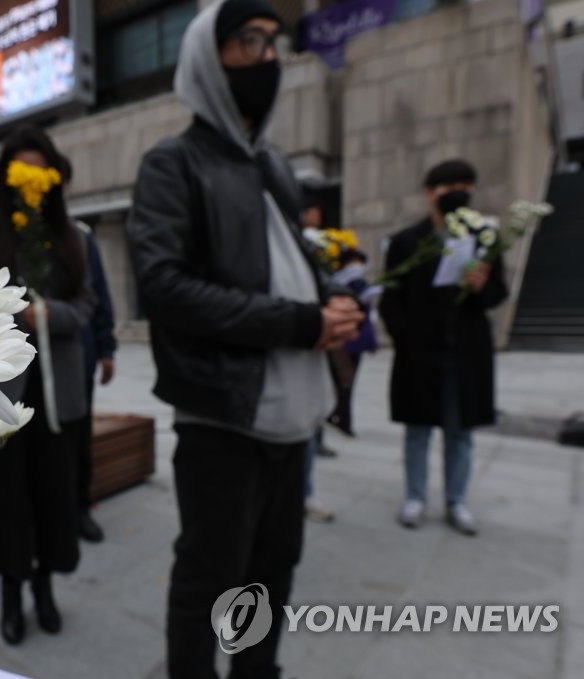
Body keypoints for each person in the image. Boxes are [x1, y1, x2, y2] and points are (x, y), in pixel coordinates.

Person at [126, 0, 363, 676]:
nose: (266, 57)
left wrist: (330, 300)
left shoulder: (276, 166)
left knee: (271, 569)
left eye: (272, 42)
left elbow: (291, 267)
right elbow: (165, 287)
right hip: (223, 416)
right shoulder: (174, 163)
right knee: (210, 576)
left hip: (293, 417)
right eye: (247, 42)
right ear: (208, 57)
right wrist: (301, 322)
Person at [0, 125, 94, 646]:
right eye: (22, 172)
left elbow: (86, 307)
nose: (31, 182)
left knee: (55, 496)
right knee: (9, 499)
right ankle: (13, 593)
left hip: (58, 393)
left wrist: (45, 313)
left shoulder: (70, 238)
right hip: (1, 393)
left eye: (41, 172)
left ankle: (44, 588)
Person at [380, 159, 508, 536]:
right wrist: (405, 336)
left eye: (465, 185)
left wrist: (482, 285)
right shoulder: (406, 241)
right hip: (420, 351)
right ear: (429, 192)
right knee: (418, 428)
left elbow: (499, 293)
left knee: (461, 430)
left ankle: (457, 500)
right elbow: (391, 297)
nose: (457, 192)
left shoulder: (485, 238)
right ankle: (415, 496)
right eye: (448, 185)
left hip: (466, 352)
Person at [57, 154, 118, 544]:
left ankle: (81, 506)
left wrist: (107, 347)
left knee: (79, 438)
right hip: (34, 364)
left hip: (78, 358)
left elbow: (99, 298)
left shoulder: (80, 238)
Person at [326, 248, 379, 437]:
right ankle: (339, 417)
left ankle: (339, 416)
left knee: (344, 381)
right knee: (343, 381)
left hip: (352, 340)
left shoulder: (357, 284)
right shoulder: (337, 284)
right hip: (343, 340)